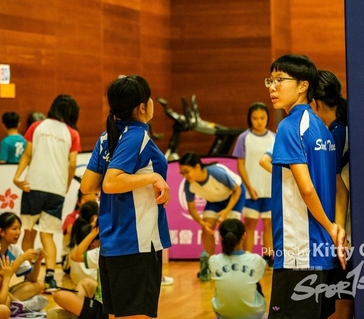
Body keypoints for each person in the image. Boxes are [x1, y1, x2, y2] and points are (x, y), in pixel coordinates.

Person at [80, 74, 171, 319]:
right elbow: (110, 182)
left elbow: (88, 185)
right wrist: (152, 177)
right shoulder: (136, 135)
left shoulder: (106, 137)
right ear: (142, 107)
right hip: (136, 242)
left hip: (113, 244)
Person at [264, 54, 345, 319]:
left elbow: (307, 189)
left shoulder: (289, 126)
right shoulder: (322, 128)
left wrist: (330, 227)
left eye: (280, 80)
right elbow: (339, 188)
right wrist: (336, 230)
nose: (272, 87)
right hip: (324, 252)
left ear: (303, 85)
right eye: (270, 80)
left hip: (298, 251)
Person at [13, 94, 81, 291]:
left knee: (29, 233)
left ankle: (28, 276)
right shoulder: (72, 134)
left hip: (33, 186)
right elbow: (72, 164)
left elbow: (27, 155)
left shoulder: (37, 126)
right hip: (56, 190)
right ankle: (50, 277)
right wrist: (65, 186)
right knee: (48, 235)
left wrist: (17, 177)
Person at [312, 70, 352, 319]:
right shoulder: (341, 126)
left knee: (341, 303)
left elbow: (340, 190)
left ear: (314, 102)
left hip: (346, 226)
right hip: (346, 224)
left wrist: (337, 231)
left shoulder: (336, 133)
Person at [179, 152, 246, 258]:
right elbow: (192, 209)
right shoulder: (188, 185)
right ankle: (210, 262)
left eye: (187, 172)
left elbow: (237, 190)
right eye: (182, 173)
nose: (185, 176)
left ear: (197, 167)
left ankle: (234, 259)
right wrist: (202, 223)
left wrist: (226, 211)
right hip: (214, 201)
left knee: (232, 230)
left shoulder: (216, 173)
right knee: (207, 229)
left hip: (234, 196)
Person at [232, 103, 275, 261]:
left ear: (267, 118)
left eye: (262, 118)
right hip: (251, 192)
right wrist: (249, 187)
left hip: (270, 191)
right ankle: (248, 258)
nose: (259, 121)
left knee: (269, 226)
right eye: (255, 118)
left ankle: (268, 257)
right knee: (249, 226)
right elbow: (240, 165)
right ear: (250, 119)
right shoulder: (244, 138)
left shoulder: (275, 137)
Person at [209, 219, 267, 319]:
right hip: (254, 315)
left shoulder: (213, 260)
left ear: (220, 237)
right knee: (255, 282)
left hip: (223, 315)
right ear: (244, 236)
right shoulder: (256, 259)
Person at [48, 218, 103, 319]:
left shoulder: (101, 252)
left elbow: (75, 256)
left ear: (92, 244)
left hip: (106, 308)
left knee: (59, 297)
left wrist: (92, 233)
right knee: (85, 283)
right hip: (107, 301)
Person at [0, 213, 47, 311]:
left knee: (40, 284)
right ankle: (21, 305)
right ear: (1, 231)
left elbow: (32, 278)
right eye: (14, 228)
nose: (18, 232)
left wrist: (38, 260)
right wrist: (21, 258)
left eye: (19, 228)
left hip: (2, 291)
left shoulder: (15, 249)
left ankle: (16, 304)